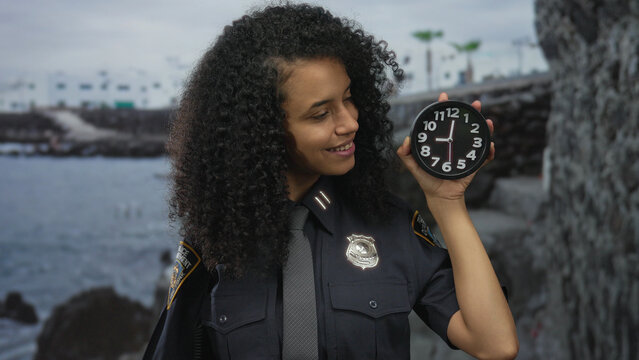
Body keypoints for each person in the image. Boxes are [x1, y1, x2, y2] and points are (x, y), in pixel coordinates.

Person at [144, 3, 518, 359]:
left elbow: (495, 344)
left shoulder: (391, 226)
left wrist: (447, 202)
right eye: (321, 114)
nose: (350, 122)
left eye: (349, 99)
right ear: (261, 131)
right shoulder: (214, 243)